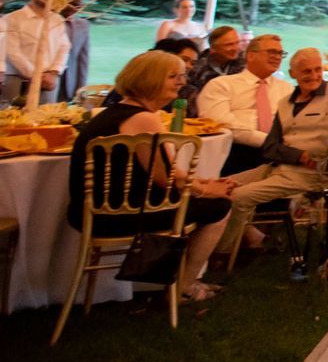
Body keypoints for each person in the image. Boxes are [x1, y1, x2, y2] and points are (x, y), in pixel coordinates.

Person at [68, 51, 233, 304]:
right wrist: (210, 192)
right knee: (220, 208)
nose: (182, 82)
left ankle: (174, 281)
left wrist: (204, 184)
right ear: (149, 80)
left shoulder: (112, 113)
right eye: (173, 77)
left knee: (210, 200)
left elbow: (167, 174)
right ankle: (183, 288)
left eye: (182, 75)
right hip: (124, 215)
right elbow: (166, 181)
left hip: (90, 212)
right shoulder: (144, 119)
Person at [219, 43, 328, 254]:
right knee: (221, 188)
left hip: (310, 174)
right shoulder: (285, 103)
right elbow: (270, 147)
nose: (314, 76)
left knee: (238, 197)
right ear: (293, 74)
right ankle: (232, 242)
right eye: (306, 71)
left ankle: (222, 254)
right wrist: (298, 155)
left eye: (318, 69)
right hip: (278, 167)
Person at [197, 34, 292, 176]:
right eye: (272, 52)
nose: (277, 57)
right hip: (236, 151)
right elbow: (221, 124)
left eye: (280, 53)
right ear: (251, 56)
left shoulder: (287, 89)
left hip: (280, 154)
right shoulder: (222, 85)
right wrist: (270, 142)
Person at [4, 0, 71, 105]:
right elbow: (12, 52)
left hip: (49, 81)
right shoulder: (12, 19)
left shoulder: (57, 20)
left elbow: (64, 47)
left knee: (46, 119)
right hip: (18, 80)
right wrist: (36, 75)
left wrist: (54, 72)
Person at [184, 26, 246, 108]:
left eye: (237, 43)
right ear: (213, 48)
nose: (236, 48)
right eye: (229, 45)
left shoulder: (243, 61)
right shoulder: (198, 66)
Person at [57, 0, 91, 102]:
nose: (74, 8)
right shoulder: (49, 23)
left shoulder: (82, 25)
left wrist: (81, 88)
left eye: (78, 5)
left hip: (69, 79)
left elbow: (83, 58)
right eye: (71, 4)